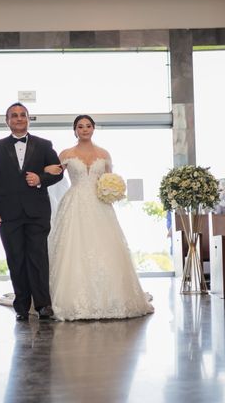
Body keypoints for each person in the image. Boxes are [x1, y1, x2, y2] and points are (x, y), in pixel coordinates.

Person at [43, 115, 154, 321]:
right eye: (80, 126)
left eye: (88, 126)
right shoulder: (66, 153)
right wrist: (46, 170)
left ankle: (110, 298)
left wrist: (112, 189)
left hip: (99, 203)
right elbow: (56, 174)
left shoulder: (103, 153)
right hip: (74, 203)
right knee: (73, 246)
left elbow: (109, 178)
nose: (84, 129)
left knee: (104, 246)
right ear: (74, 130)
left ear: (93, 129)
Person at [0, 102, 63, 321]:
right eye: (14, 115)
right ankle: (21, 305)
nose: (19, 118)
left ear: (28, 119)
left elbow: (58, 172)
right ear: (7, 120)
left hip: (37, 211)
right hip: (8, 214)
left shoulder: (44, 145)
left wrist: (41, 179)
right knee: (16, 259)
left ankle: (43, 305)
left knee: (38, 258)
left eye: (22, 115)